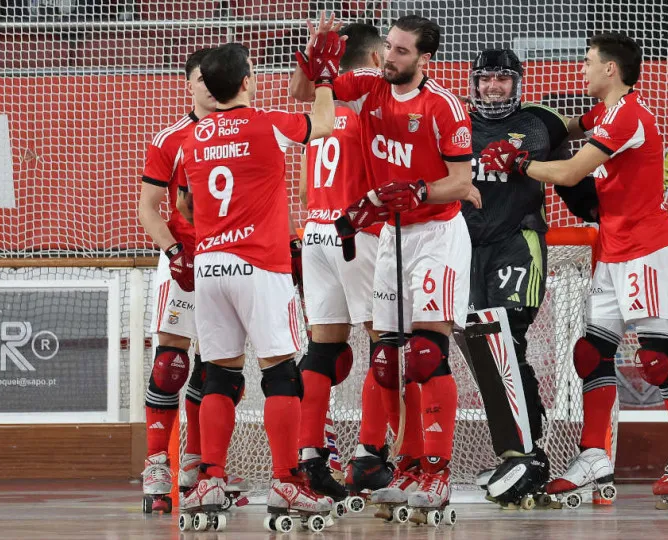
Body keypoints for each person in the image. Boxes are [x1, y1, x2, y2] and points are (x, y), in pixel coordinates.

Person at [480, 33, 668, 505]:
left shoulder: (628, 115)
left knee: (655, 356)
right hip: (612, 246)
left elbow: (568, 173)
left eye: (587, 63)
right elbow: (566, 128)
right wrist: (531, 130)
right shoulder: (602, 114)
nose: (581, 70)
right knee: (591, 353)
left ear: (610, 70)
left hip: (645, 246)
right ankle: (593, 454)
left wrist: (520, 160)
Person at [292, 13, 477, 521]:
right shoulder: (369, 85)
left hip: (436, 233)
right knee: (387, 358)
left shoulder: (444, 106)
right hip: (391, 233)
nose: (388, 57)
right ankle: (407, 465)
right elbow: (307, 95)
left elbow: (460, 183)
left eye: (400, 51)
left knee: (425, 353)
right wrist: (315, 57)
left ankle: (438, 471)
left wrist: (418, 189)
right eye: (388, 47)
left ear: (424, 59)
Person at [175, 36, 342, 525]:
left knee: (219, 375)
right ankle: (287, 482)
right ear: (248, 81)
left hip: (210, 267)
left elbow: (186, 204)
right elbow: (326, 124)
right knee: (280, 374)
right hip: (259, 266)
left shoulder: (194, 136)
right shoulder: (266, 124)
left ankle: (208, 478)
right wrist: (325, 78)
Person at [460, 47, 595, 508]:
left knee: (509, 339)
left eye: (502, 79)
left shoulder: (541, 121)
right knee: (481, 348)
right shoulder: (455, 120)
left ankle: (530, 454)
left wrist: (597, 212)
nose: (493, 87)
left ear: (518, 83)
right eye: (485, 79)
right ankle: (517, 451)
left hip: (519, 244)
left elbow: (581, 144)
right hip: (462, 249)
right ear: (473, 82)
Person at [294, 22, 395, 505]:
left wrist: (311, 65)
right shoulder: (367, 96)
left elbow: (303, 190)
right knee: (384, 340)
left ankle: (310, 456)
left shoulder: (323, 101)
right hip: (358, 231)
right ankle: (369, 453)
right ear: (376, 60)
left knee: (324, 350)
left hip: (314, 227)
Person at [137, 47, 241, 514]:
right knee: (170, 362)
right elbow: (148, 208)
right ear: (189, 84)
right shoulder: (169, 139)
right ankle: (157, 463)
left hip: (229, 260)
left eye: (213, 77)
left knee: (217, 368)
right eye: (200, 77)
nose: (207, 84)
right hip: (183, 260)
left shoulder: (244, 130)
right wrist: (174, 251)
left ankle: (199, 465)